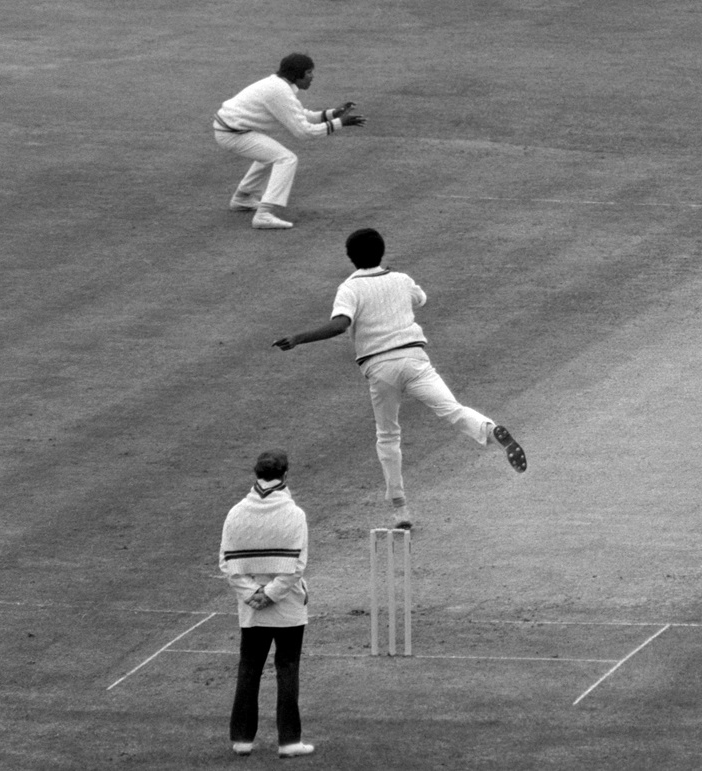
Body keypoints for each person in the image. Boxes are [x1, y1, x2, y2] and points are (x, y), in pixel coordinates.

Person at [272, 228, 526, 530]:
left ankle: (400, 509)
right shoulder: (401, 279)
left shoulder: (349, 288)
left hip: (380, 366)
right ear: (381, 251)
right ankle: (491, 430)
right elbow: (421, 299)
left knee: (388, 435)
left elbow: (340, 325)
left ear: (350, 257)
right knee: (452, 409)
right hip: (415, 359)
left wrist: (298, 338)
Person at [220, 449, 315, 759]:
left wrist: (253, 594)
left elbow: (227, 565)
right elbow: (296, 567)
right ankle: (289, 742)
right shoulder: (294, 514)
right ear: (285, 475)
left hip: (252, 608)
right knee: (287, 669)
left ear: (256, 474)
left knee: (249, 668)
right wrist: (271, 594)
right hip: (287, 606)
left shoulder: (236, 512)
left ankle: (242, 740)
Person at [213, 53, 366, 230]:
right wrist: (340, 123)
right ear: (296, 74)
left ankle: (243, 198)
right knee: (286, 159)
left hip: (232, 129)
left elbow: (299, 115)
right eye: (309, 72)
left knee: (271, 155)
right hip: (232, 133)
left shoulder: (279, 86)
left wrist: (332, 114)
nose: (312, 77)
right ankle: (263, 215)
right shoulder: (279, 91)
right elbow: (304, 132)